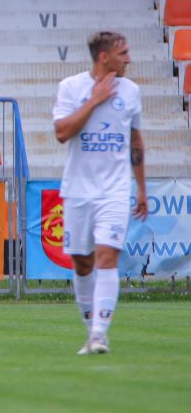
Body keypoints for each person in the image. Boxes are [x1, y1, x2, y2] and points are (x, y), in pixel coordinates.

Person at [53, 31, 147, 355]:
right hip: (78, 189)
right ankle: (90, 328)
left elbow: (135, 141)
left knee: (107, 256)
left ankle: (99, 334)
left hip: (115, 190)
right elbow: (62, 133)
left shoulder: (131, 91)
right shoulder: (71, 87)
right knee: (82, 262)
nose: (129, 59)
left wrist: (141, 188)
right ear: (104, 57)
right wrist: (94, 100)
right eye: (123, 53)